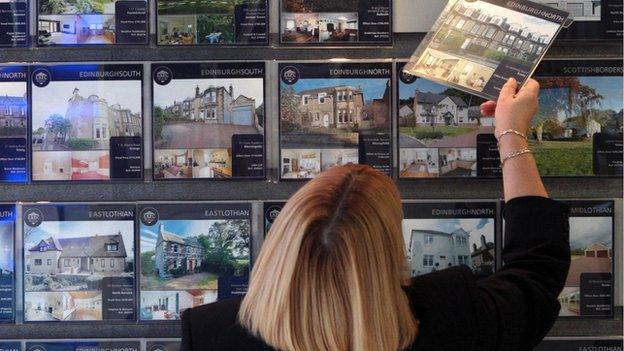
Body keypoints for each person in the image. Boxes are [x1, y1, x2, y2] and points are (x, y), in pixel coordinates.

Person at [181, 77, 571, 351]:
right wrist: (511, 132)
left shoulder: (212, 333)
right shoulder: (452, 317)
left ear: (280, 245)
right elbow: (537, 265)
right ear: (387, 248)